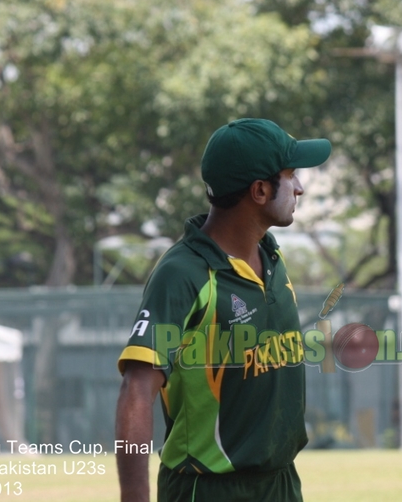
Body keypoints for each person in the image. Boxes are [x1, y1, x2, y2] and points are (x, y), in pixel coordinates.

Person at [115, 118, 331, 502]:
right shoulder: (184, 273)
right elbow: (136, 391)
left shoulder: (273, 257)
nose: (299, 187)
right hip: (209, 489)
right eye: (291, 176)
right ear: (260, 190)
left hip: (281, 484)